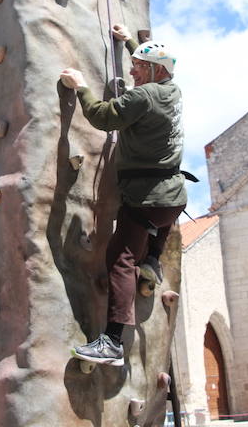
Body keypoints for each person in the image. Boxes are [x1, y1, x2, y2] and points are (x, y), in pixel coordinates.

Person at [59, 25, 190, 367]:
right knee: (150, 241)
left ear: (155, 70)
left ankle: (113, 343)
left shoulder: (142, 97)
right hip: (174, 197)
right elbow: (154, 63)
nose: (131, 70)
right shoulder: (171, 90)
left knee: (120, 257)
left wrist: (82, 87)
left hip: (148, 199)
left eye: (137, 65)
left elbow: (103, 117)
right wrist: (130, 42)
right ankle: (153, 260)